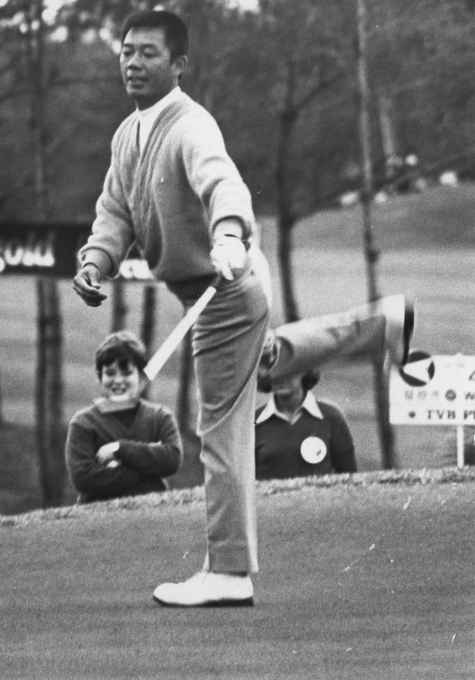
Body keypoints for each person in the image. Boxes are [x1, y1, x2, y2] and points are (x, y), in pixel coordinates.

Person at [72, 10, 413, 607]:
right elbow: (115, 213)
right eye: (126, 51)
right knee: (263, 366)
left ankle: (228, 570)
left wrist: (228, 232)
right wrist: (96, 263)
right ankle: (380, 323)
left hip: (225, 286)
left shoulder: (191, 125)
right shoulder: (128, 135)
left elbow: (223, 185)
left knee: (221, 430)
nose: (132, 62)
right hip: (210, 290)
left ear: (178, 64)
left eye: (149, 53)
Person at [66, 332, 182, 502]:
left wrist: (120, 450)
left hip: (153, 513)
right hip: (98, 519)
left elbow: (172, 459)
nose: (118, 381)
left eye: (127, 373)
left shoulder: (160, 417)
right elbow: (84, 479)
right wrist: (149, 465)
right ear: (100, 376)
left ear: (141, 377)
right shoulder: (83, 422)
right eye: (110, 373)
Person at [255, 370, 356, 480]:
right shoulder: (253, 421)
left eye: (290, 369)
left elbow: (349, 477)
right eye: (274, 370)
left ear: (305, 371)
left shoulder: (331, 416)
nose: (280, 377)